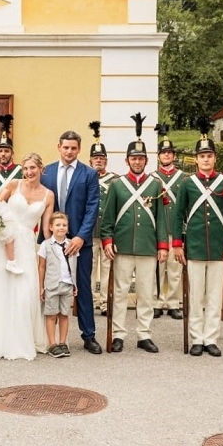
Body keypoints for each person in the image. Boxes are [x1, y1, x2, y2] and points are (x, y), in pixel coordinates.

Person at [0, 154, 53, 360]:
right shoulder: (13, 185)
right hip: (4, 242)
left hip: (27, 244)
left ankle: (23, 340)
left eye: (33, 168)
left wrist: (52, 252)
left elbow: (46, 229)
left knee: (25, 291)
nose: (29, 172)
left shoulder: (48, 195)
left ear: (41, 169)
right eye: (25, 168)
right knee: (2, 290)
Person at [100, 115, 168, 354]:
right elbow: (108, 218)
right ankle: (118, 334)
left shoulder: (155, 184)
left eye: (140, 158)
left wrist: (162, 245)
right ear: (127, 160)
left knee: (146, 293)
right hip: (123, 247)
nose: (137, 162)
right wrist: (107, 240)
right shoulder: (117, 185)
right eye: (133, 158)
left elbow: (161, 218)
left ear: (146, 160)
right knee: (119, 293)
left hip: (148, 247)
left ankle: (144, 334)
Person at [171, 128, 223, 357]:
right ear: (196, 159)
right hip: (196, 247)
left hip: (219, 247)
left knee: (214, 295)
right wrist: (177, 243)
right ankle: (196, 338)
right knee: (196, 294)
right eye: (202, 156)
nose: (206, 159)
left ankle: (211, 338)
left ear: (215, 158)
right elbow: (178, 215)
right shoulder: (188, 184)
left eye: (209, 156)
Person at [42, 130, 102, 353]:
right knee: (50, 287)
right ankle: (50, 338)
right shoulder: (46, 172)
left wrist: (80, 236)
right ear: (59, 146)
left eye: (73, 148)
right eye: (65, 147)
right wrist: (46, 237)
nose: (69, 151)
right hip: (51, 241)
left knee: (82, 288)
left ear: (79, 149)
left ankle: (89, 335)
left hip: (79, 242)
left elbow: (92, 207)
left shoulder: (88, 174)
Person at [151, 124, 187, 320]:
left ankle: (173, 303)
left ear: (174, 156)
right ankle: (156, 302)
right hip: (158, 230)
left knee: (175, 269)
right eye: (163, 153)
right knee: (158, 268)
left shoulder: (183, 178)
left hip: (176, 227)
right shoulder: (152, 178)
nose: (166, 155)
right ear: (158, 156)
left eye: (169, 152)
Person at [88, 121, 117, 316]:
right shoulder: (85, 177)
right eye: (95, 158)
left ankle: (105, 302)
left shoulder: (115, 179)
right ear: (90, 160)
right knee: (90, 270)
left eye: (102, 158)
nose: (99, 161)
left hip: (108, 232)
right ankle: (90, 300)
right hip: (90, 231)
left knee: (106, 269)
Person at [39, 212, 78, 357]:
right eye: (58, 225)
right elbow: (41, 267)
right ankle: (52, 344)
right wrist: (41, 286)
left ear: (68, 228)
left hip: (67, 284)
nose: (61, 228)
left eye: (64, 225)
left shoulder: (71, 245)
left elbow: (74, 266)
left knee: (64, 314)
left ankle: (63, 342)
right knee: (51, 314)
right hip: (52, 285)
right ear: (51, 227)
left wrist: (75, 284)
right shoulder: (46, 245)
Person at [0, 114, 23, 191]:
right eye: (0, 151)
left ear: (12, 153)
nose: (3, 154)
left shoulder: (21, 171)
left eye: (6, 151)